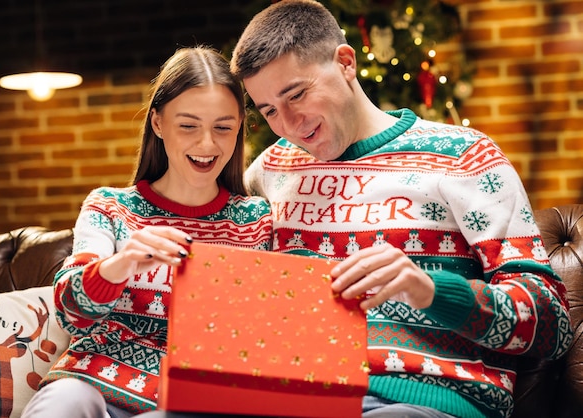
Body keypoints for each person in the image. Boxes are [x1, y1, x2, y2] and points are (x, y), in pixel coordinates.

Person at [230, 1, 573, 418]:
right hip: (292, 398)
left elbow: (551, 323)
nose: (287, 123)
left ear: (345, 62)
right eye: (268, 111)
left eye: (297, 94)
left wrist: (431, 291)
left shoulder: (464, 157)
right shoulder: (268, 172)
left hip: (421, 402)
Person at [21, 46, 273, 418]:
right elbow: (69, 312)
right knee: (66, 403)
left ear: (239, 127)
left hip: (190, 399)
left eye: (223, 127)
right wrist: (120, 265)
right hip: (91, 383)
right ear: (157, 123)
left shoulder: (256, 220)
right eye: (188, 125)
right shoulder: (110, 206)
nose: (207, 144)